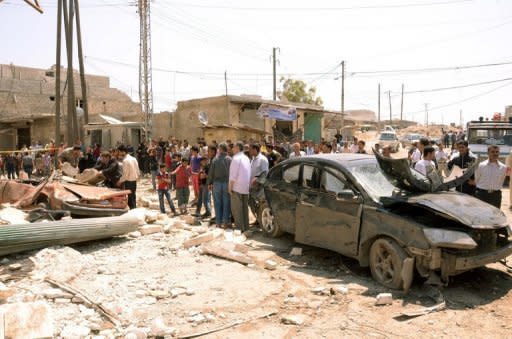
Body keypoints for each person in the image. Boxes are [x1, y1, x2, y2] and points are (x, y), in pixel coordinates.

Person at [208, 142, 232, 228]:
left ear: (220, 149)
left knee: (217, 203)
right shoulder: (230, 159)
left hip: (217, 184)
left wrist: (209, 183)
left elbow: (211, 173)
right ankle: (225, 222)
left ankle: (218, 222)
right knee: (226, 202)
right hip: (226, 183)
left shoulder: (215, 159)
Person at [229, 141, 251, 232]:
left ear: (237, 147)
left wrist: (230, 187)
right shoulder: (246, 158)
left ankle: (239, 228)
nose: (232, 149)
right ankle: (245, 227)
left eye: (233, 147)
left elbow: (233, 175)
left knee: (237, 209)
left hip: (237, 187)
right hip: (245, 187)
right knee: (244, 209)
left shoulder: (236, 158)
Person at [117, 145, 140, 209]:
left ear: (123, 152)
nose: (119, 153)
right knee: (133, 196)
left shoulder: (125, 161)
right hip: (134, 181)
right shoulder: (133, 158)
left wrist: (120, 181)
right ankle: (134, 209)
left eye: (119, 152)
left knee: (130, 198)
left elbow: (125, 174)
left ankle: (132, 211)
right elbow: (138, 171)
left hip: (128, 182)